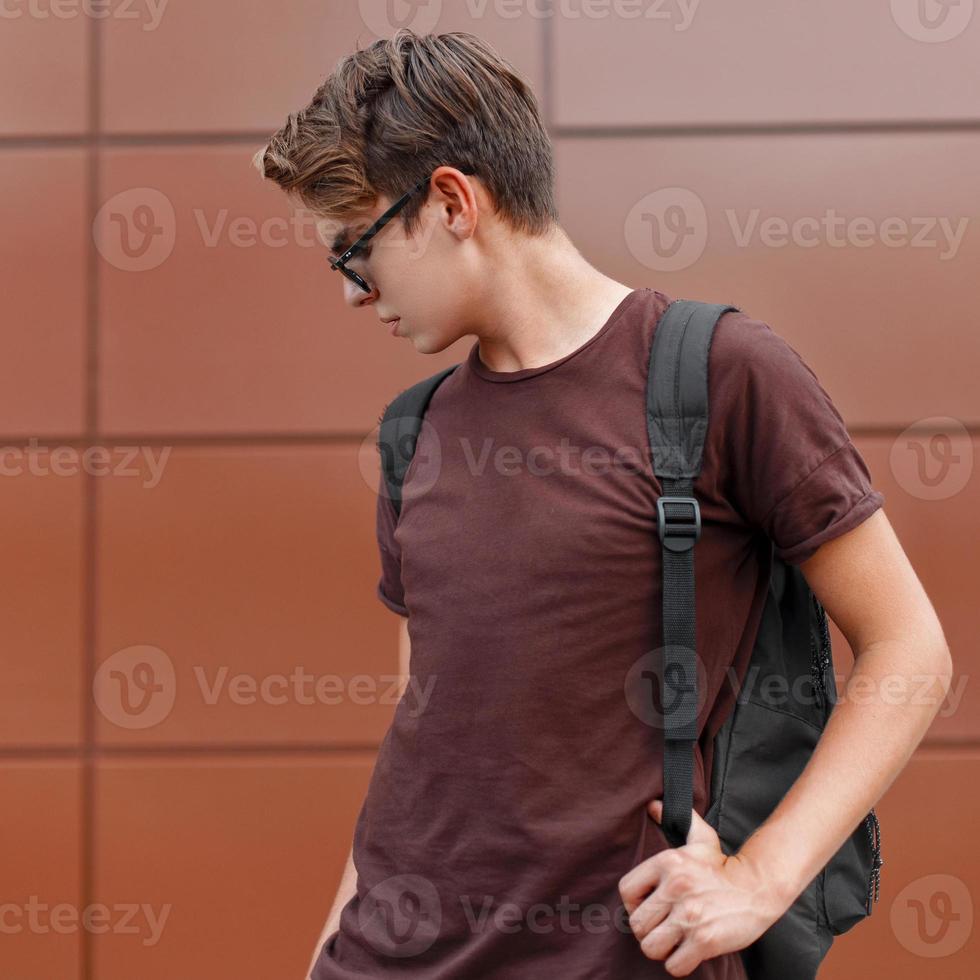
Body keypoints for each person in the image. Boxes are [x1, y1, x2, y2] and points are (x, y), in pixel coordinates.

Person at [253, 29, 952, 980]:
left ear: (453, 202)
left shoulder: (717, 375)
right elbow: (426, 727)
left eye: (356, 251)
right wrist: (329, 950)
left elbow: (911, 649)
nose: (350, 293)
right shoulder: (412, 433)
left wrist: (759, 879)